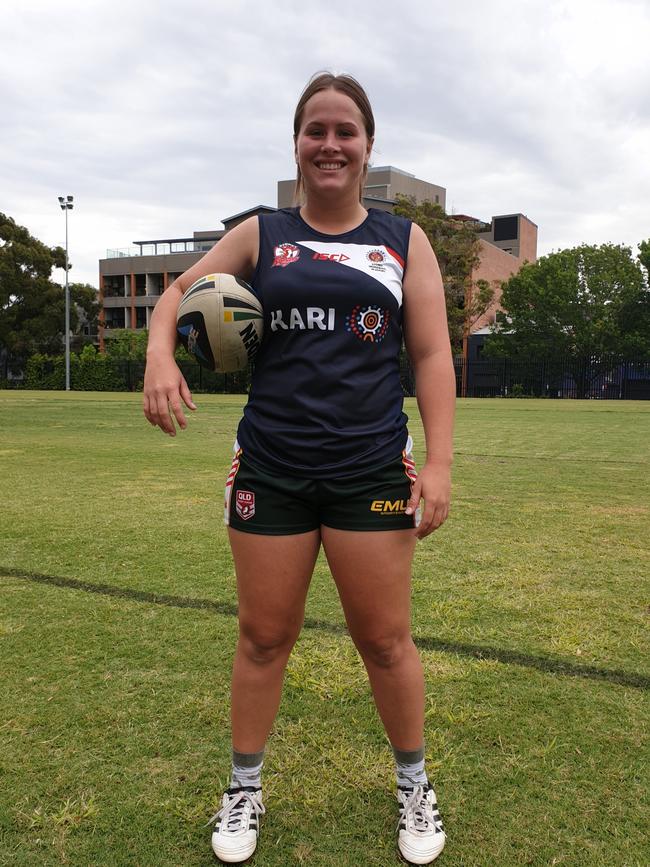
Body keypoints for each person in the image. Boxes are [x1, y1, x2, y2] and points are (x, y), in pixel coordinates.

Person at [143, 72, 455, 865]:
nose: (330, 143)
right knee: (261, 637)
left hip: (371, 472)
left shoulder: (402, 241)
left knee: (385, 641)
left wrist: (442, 461)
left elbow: (431, 356)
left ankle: (414, 785)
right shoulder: (262, 233)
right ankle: (244, 786)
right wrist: (158, 357)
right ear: (296, 143)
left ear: (367, 146)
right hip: (272, 469)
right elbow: (174, 295)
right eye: (315, 129)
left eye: (345, 131)